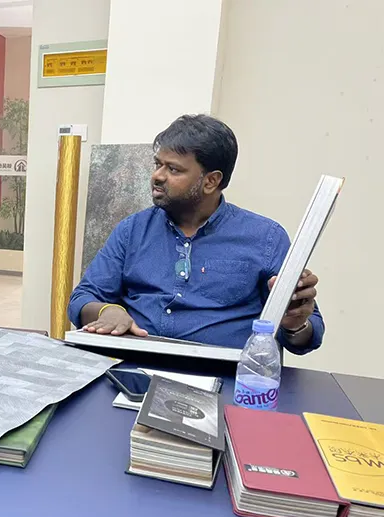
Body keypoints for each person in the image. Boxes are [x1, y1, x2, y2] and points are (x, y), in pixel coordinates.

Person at [68, 114, 324, 354]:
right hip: (135, 367)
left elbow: (307, 336)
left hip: (222, 375)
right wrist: (106, 310)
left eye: (173, 169)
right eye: (158, 164)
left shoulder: (266, 237)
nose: (157, 176)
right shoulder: (132, 230)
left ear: (211, 181)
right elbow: (82, 298)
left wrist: (295, 324)